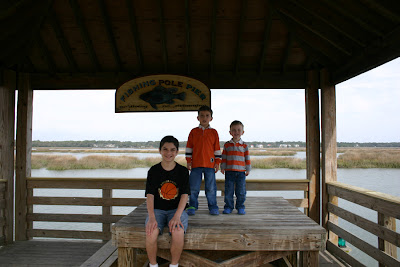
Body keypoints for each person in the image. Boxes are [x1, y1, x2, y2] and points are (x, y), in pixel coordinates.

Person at [145, 135, 190, 267]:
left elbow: (184, 195)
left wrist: (177, 216)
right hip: (157, 210)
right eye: (165, 149)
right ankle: (153, 265)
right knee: (151, 232)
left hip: (176, 210)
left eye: (172, 150)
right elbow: (150, 195)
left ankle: (174, 265)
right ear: (160, 150)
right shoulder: (153, 171)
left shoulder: (182, 171)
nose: (168, 153)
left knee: (178, 232)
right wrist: (152, 217)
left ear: (177, 152)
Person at [185, 105, 222, 215]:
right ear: (198, 118)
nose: (204, 118)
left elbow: (217, 148)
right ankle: (192, 205)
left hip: (210, 165)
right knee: (193, 187)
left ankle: (212, 206)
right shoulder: (193, 132)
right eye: (202, 116)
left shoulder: (214, 132)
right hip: (195, 164)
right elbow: (189, 147)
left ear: (211, 118)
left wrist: (217, 162)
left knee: (210, 188)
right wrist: (188, 160)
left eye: (207, 116)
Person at [220, 120, 251, 215]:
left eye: (238, 130)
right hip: (229, 171)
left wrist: (248, 169)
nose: (236, 132)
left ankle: (240, 207)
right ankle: (228, 207)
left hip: (241, 172)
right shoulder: (227, 145)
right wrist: (222, 167)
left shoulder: (244, 145)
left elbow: (247, 158)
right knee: (228, 191)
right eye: (234, 130)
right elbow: (224, 157)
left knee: (241, 191)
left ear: (242, 132)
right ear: (230, 132)